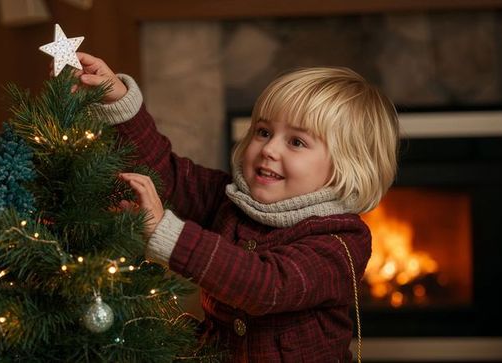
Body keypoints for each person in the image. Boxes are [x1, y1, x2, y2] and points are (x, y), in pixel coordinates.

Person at [74, 52, 399, 362]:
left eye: (296, 142)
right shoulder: (230, 199)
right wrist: (119, 105)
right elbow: (169, 174)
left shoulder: (340, 241)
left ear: (346, 167)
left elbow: (265, 286)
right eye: (263, 131)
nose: (269, 148)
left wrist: (166, 233)